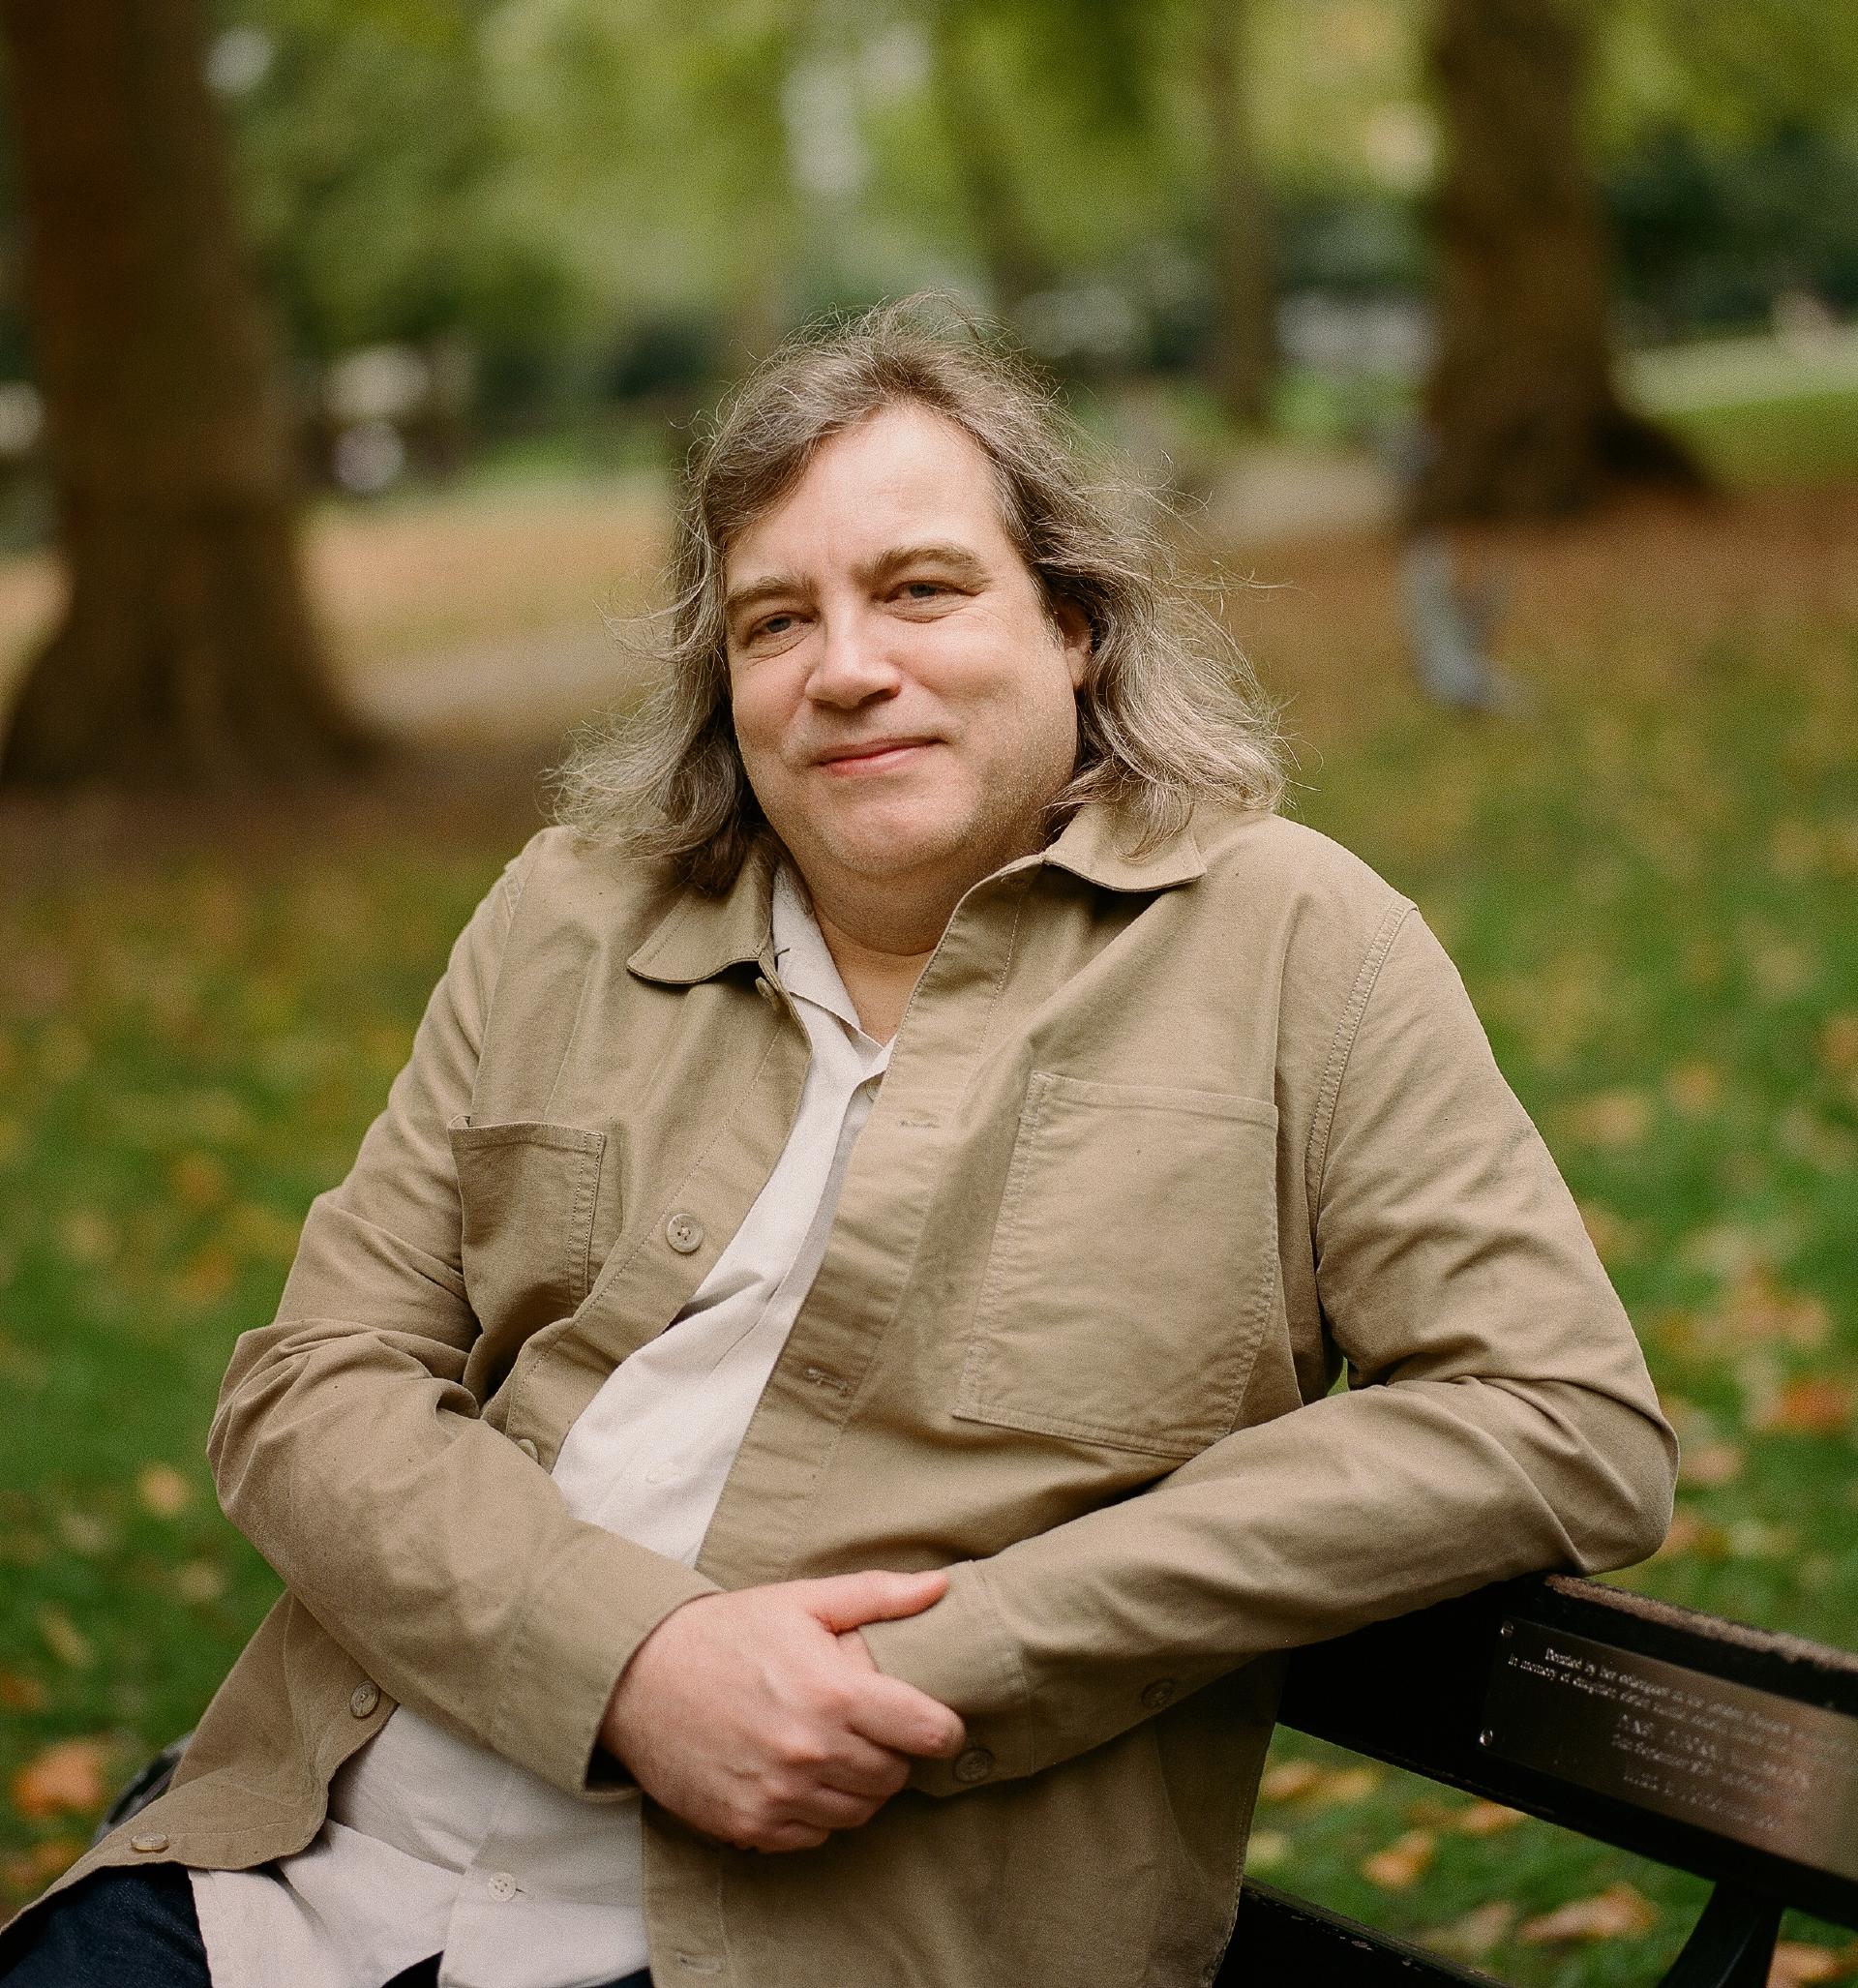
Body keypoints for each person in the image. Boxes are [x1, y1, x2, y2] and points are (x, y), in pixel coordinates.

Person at [3, 304, 1677, 1988]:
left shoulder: (1300, 948)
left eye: (922, 590)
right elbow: (308, 1386)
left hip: (810, 1938)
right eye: (774, 619)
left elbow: (1559, 1420)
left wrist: (963, 1652)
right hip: (295, 1880)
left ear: (1076, 622)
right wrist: (635, 1657)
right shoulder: (567, 919)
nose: (846, 667)